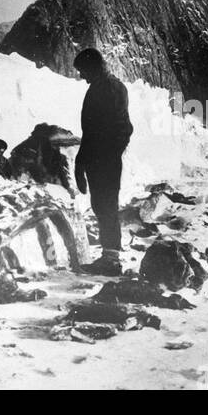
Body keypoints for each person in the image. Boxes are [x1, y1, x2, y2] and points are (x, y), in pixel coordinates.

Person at [72, 48, 133, 276]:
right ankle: (109, 257)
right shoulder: (101, 87)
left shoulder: (110, 88)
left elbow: (123, 128)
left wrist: (106, 154)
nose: (81, 76)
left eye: (83, 71)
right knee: (101, 205)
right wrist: (82, 162)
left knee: (106, 205)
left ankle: (112, 260)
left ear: (93, 67)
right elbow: (90, 132)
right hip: (98, 159)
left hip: (104, 160)